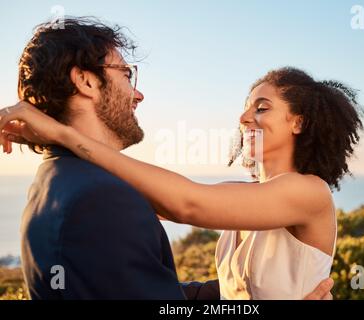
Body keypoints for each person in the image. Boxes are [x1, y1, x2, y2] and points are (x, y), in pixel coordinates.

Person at [0, 18, 344, 300]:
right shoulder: (244, 195)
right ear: (85, 81)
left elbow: (188, 203)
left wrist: (61, 134)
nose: (244, 117)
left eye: (262, 108)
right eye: (247, 106)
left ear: (299, 122)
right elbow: (169, 200)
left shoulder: (307, 192)